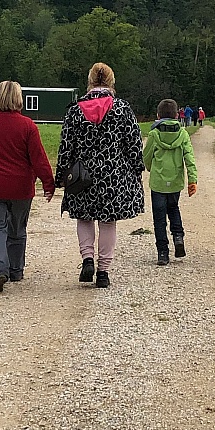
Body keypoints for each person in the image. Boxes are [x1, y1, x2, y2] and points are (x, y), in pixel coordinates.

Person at [55, 62, 145, 288]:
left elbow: (65, 147)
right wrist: (137, 169)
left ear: (90, 81)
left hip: (81, 176)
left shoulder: (74, 110)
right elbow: (134, 145)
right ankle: (103, 272)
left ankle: (87, 259)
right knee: (107, 222)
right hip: (112, 177)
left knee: (83, 218)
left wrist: (60, 176)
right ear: (112, 82)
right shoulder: (122, 109)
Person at [0, 79, 55, 292]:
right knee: (17, 229)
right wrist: (48, 183)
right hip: (20, 188)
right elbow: (38, 158)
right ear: (19, 99)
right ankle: (16, 270)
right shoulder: (28, 125)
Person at [143, 98, 198, 264]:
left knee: (159, 217)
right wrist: (192, 179)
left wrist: (150, 168)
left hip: (158, 182)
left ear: (158, 115)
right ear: (177, 115)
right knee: (174, 209)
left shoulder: (154, 134)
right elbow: (189, 158)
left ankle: (163, 252)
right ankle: (178, 237)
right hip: (175, 182)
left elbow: (146, 157)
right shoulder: (183, 134)